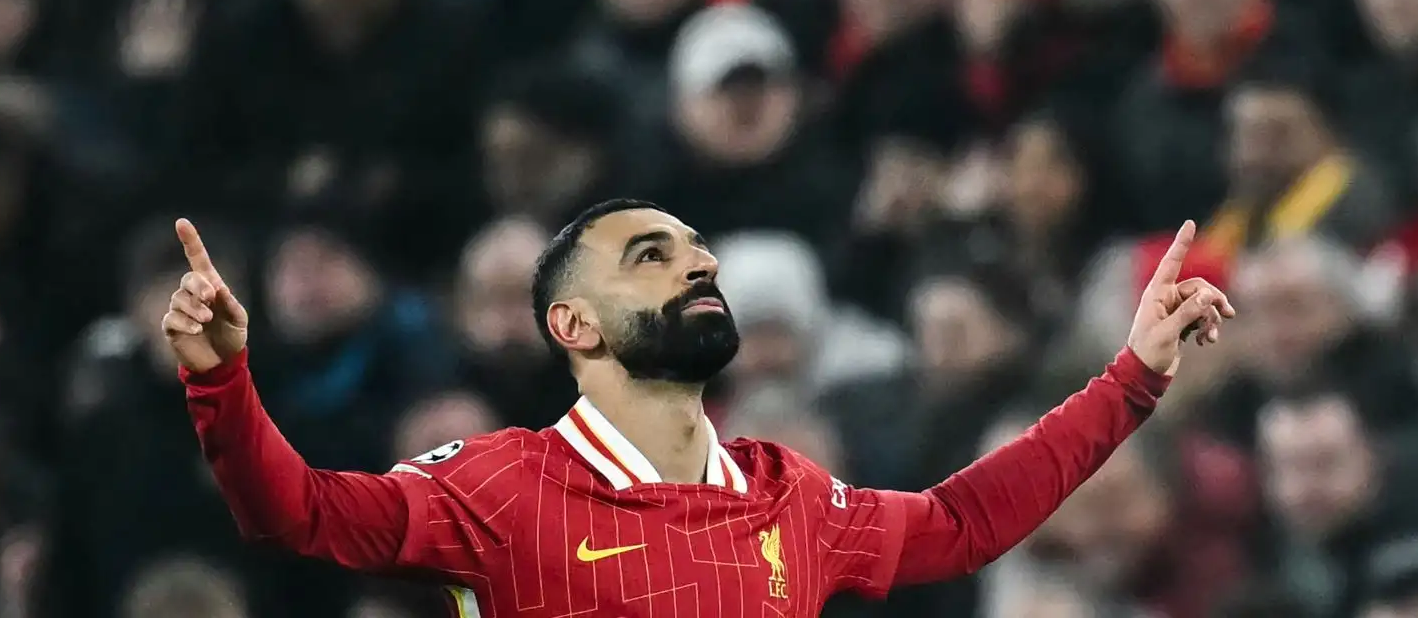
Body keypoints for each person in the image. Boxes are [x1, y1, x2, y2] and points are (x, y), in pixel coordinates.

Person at [167, 200, 1233, 613]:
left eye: (698, 252)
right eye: (652, 257)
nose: (700, 265)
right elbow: (292, 511)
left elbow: (962, 525)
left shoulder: (789, 496)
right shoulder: (495, 486)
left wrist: (1130, 378)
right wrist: (223, 382)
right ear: (574, 327)